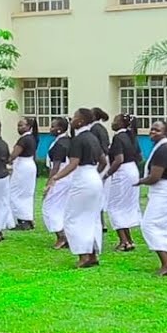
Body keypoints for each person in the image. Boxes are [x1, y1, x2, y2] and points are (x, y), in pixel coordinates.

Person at [46, 107, 107, 269]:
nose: (71, 120)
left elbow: (73, 164)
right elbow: (104, 162)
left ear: (80, 121)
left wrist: (55, 178)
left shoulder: (78, 140)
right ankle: (92, 254)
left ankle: (84, 256)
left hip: (83, 179)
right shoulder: (93, 138)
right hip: (94, 178)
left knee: (74, 217)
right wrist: (95, 175)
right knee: (91, 218)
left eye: (73, 118)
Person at [136, 119, 167, 276]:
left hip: (165, 192)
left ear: (165, 132)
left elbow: (154, 177)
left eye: (157, 130)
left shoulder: (163, 150)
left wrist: (139, 181)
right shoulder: (162, 147)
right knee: (161, 226)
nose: (152, 132)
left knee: (149, 225)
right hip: (165, 191)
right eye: (152, 129)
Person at [104, 112, 142, 252]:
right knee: (126, 205)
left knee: (115, 206)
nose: (112, 123)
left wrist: (107, 174)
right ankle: (129, 240)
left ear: (121, 123)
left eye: (115, 120)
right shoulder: (131, 136)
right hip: (133, 170)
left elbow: (118, 159)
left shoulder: (118, 137)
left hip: (123, 172)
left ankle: (124, 241)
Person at [40, 117, 72, 250]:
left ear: (60, 129)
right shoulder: (69, 141)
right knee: (63, 207)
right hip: (69, 178)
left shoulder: (60, 145)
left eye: (53, 126)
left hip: (60, 179)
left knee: (49, 207)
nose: (50, 129)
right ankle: (66, 235)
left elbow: (55, 167)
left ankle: (61, 236)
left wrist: (49, 183)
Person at [8, 118, 40, 231]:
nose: (19, 128)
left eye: (21, 125)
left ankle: (22, 220)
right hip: (30, 165)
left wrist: (5, 161)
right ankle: (27, 218)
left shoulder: (24, 140)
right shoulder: (32, 138)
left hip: (22, 166)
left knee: (15, 193)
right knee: (26, 193)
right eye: (18, 125)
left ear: (28, 126)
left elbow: (13, 155)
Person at [90, 107, 112, 232]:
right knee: (101, 192)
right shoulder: (101, 128)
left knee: (97, 192)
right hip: (105, 159)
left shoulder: (94, 129)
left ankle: (100, 222)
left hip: (100, 161)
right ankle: (101, 222)